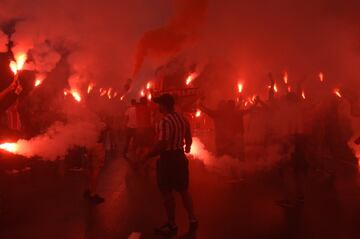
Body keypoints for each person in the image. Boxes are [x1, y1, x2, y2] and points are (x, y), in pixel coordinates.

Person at [146, 94, 198, 236]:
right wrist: (187, 147)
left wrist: (149, 154)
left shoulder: (165, 121)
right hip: (180, 157)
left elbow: (163, 143)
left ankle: (171, 224)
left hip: (168, 159)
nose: (158, 107)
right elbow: (188, 137)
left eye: (159, 104)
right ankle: (193, 219)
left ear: (164, 105)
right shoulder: (182, 119)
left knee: (166, 192)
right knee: (183, 190)